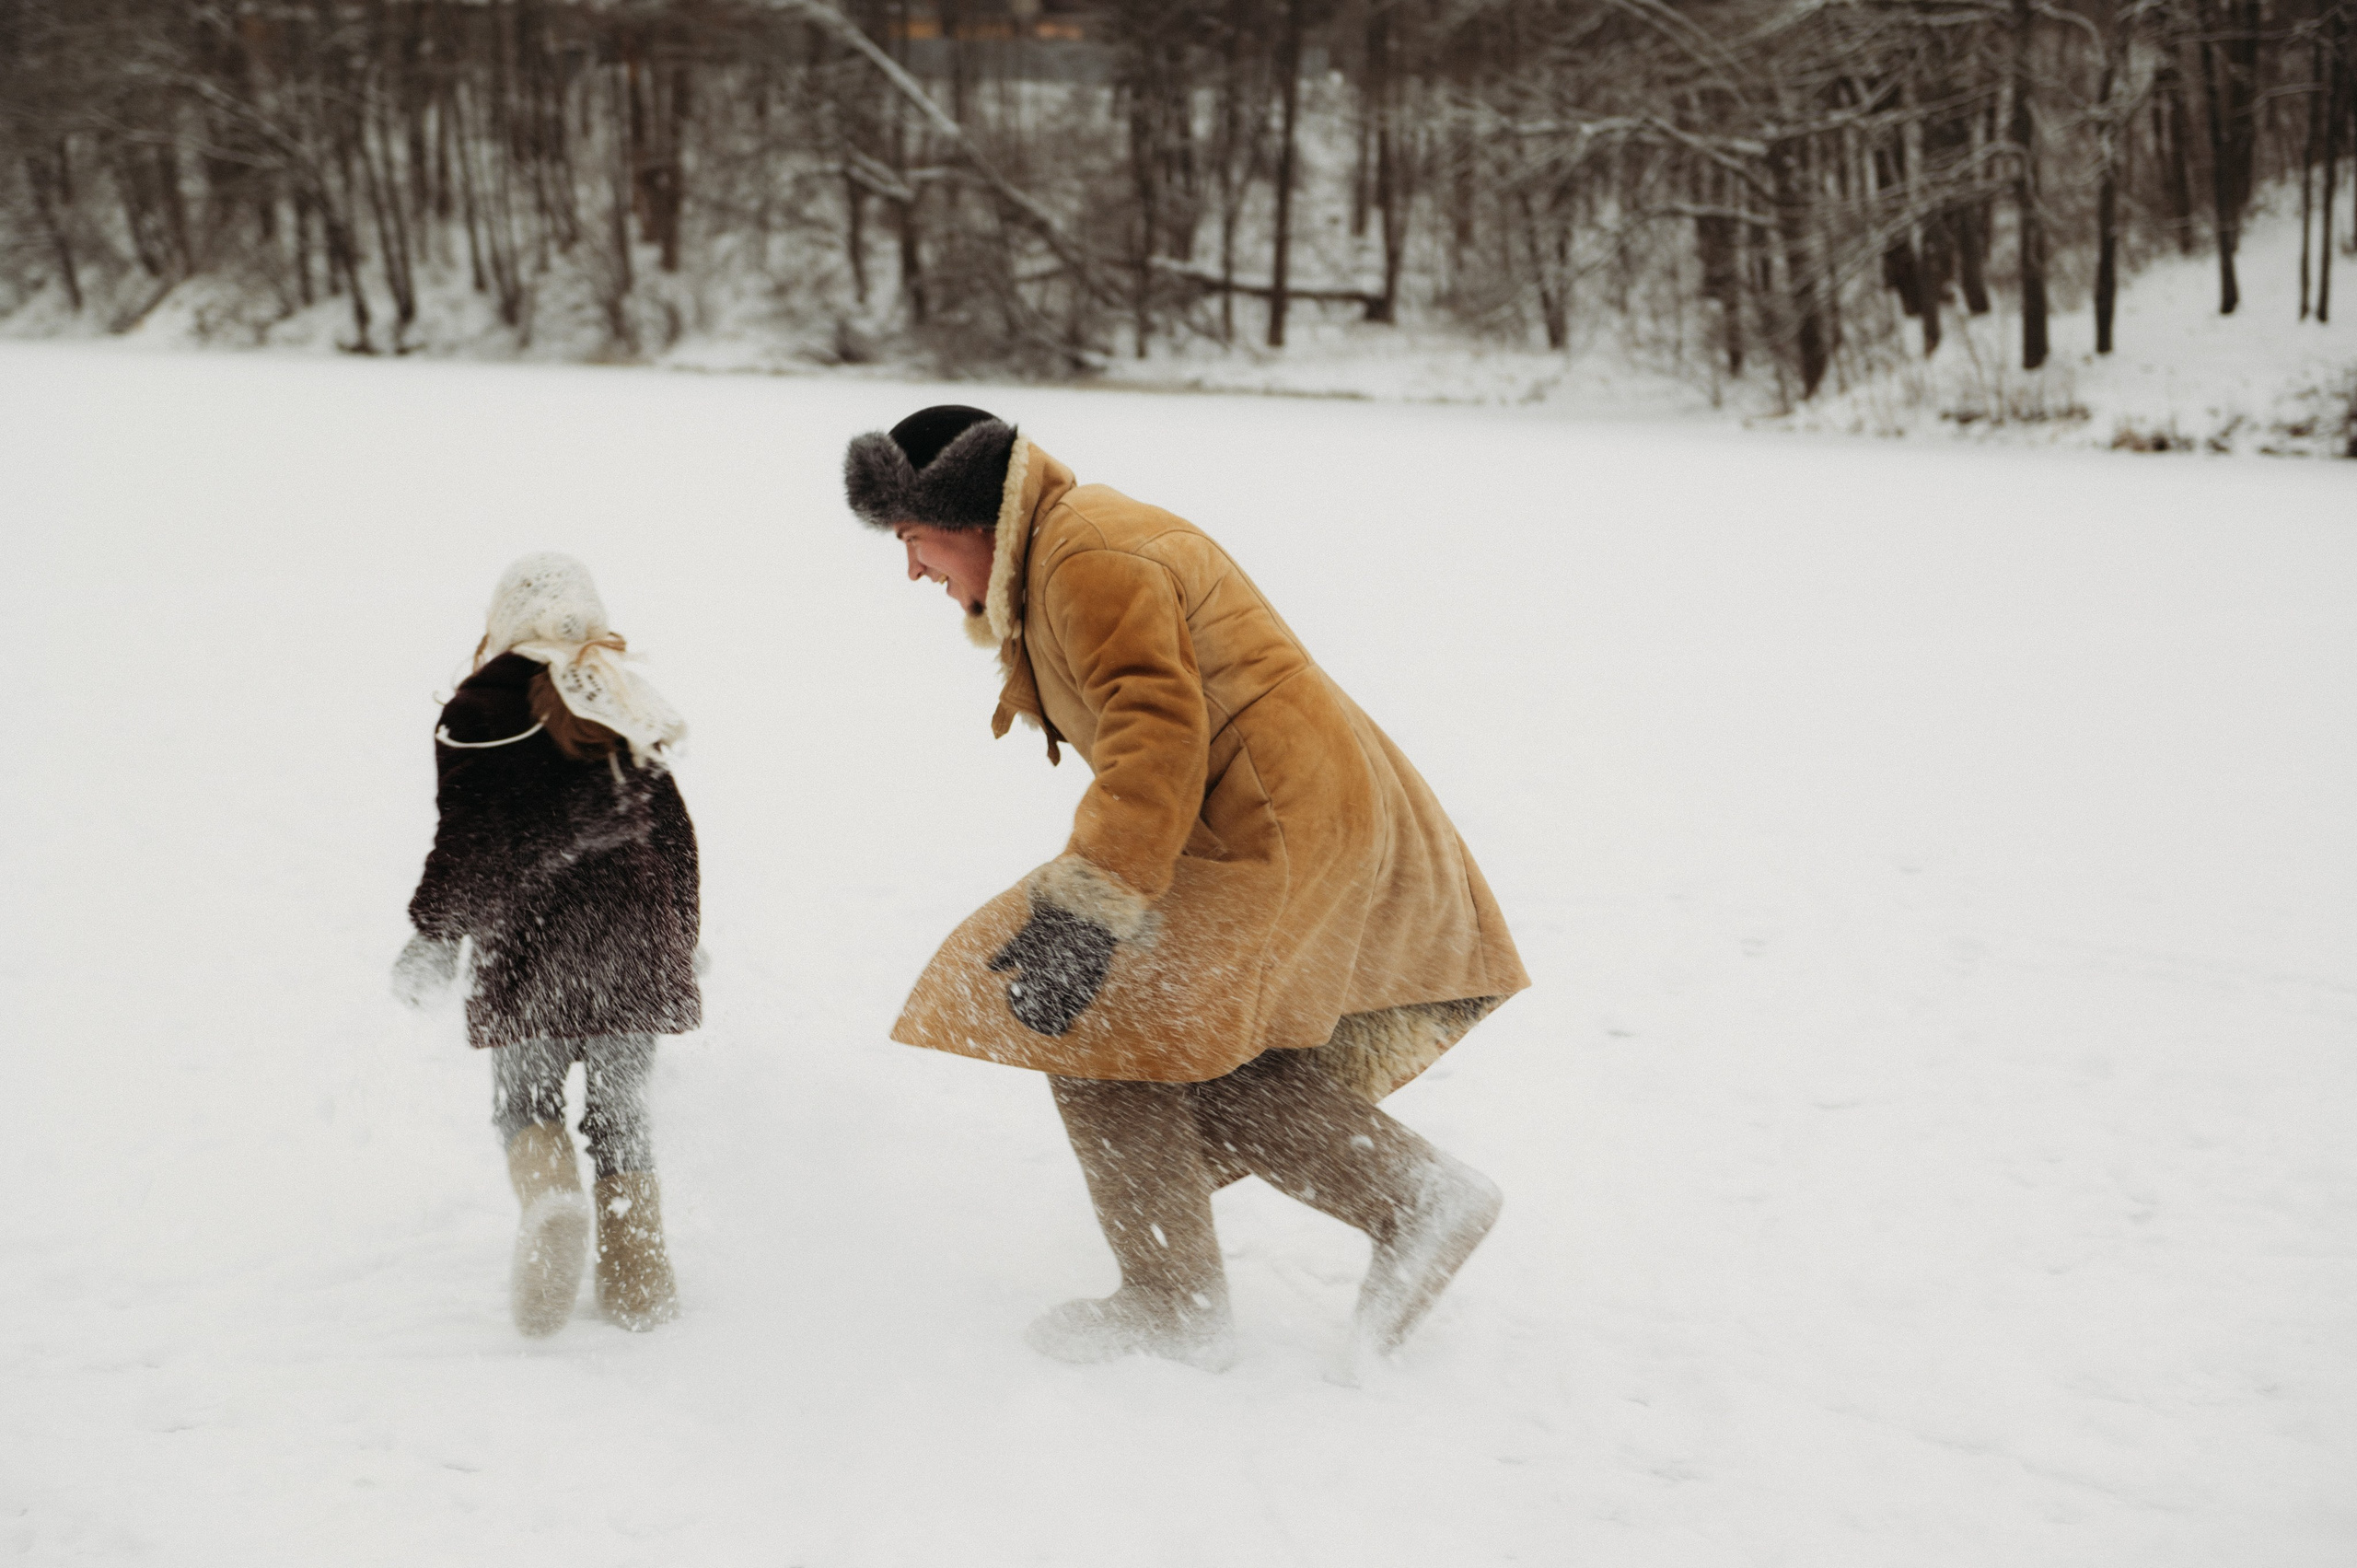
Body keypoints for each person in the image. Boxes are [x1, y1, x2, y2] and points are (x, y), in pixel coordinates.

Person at [842, 405, 1530, 1371]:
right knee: (1167, 1037)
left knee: (1100, 1025)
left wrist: (1090, 905)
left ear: (966, 518)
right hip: (1266, 812)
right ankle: (1391, 1204)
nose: (911, 568)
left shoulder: (1088, 558)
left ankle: (1192, 1292)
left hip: (1267, 823)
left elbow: (1154, 738)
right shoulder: (1066, 545)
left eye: (913, 540)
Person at [392, 552, 701, 1337]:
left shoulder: (480, 704)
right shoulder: (617, 691)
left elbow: (467, 838)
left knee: (525, 1105)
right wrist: (681, 937)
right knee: (622, 1114)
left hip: (530, 940)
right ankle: (639, 1282)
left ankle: (552, 1199)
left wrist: (434, 932)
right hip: (633, 934)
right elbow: (673, 837)